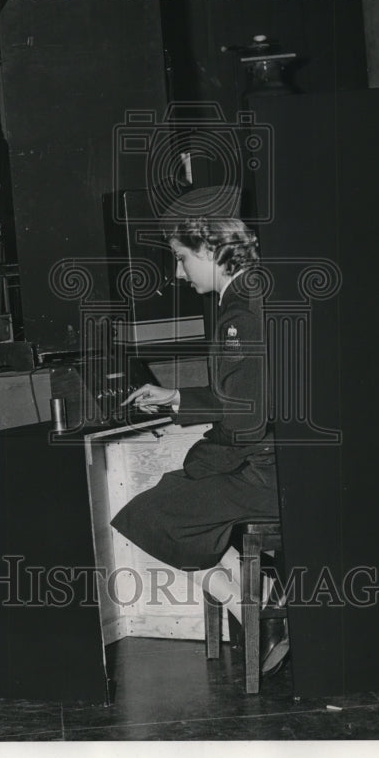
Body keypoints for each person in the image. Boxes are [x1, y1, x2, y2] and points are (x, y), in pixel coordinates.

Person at [114, 189, 289, 674]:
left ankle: (263, 613)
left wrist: (200, 455)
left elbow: (247, 420)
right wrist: (177, 399)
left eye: (181, 257)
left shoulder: (240, 314)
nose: (177, 272)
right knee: (176, 491)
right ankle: (265, 605)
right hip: (278, 466)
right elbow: (249, 395)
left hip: (267, 477)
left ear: (210, 249)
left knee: (148, 512)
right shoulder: (257, 291)